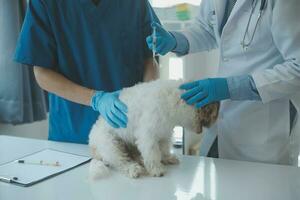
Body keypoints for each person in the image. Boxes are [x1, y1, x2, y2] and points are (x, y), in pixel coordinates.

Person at [147, 0, 300, 165]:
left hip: (264, 127)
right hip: (223, 125)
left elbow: (297, 67)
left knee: (261, 187)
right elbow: (207, 28)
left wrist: (232, 87)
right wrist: (176, 40)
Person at [14, 0, 159, 144]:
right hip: (73, 136)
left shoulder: (135, 3)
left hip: (130, 132)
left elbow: (150, 58)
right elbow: (42, 74)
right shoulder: (46, 3)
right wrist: (96, 99)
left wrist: (144, 99)